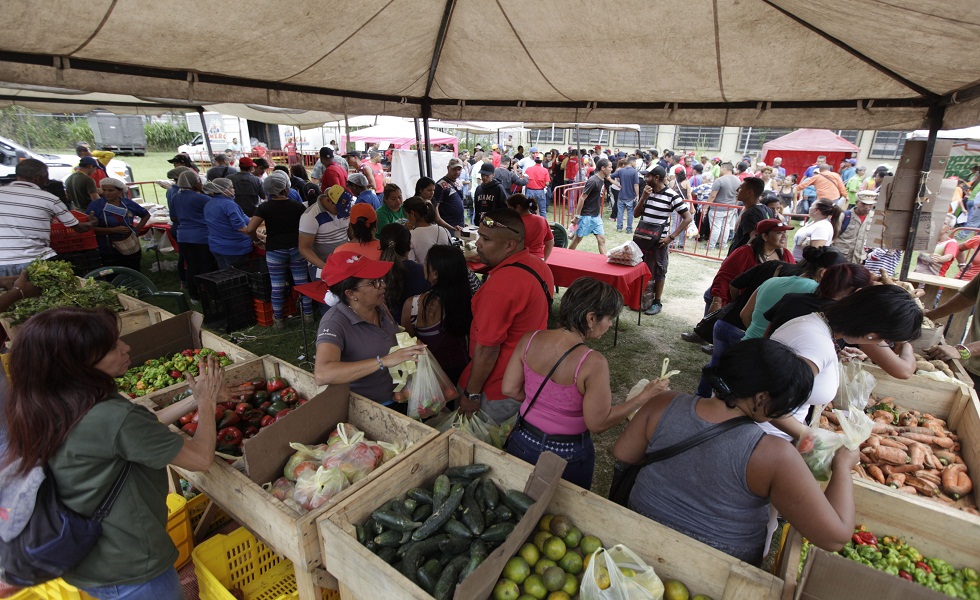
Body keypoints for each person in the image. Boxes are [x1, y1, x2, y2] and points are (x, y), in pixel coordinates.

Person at [2, 307, 224, 597]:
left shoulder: (46, 404)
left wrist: (192, 401)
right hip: (132, 568)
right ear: (77, 363)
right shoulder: (111, 416)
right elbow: (200, 458)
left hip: (86, 561)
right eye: (111, 347)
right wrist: (207, 403)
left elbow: (131, 435)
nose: (126, 347)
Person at [614, 338, 858, 566]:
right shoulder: (775, 454)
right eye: (785, 400)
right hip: (716, 563)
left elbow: (623, 453)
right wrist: (843, 468)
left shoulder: (664, 402)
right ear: (761, 397)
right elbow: (834, 538)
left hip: (638, 528)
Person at [501, 278, 669, 489]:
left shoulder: (529, 339)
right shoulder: (592, 363)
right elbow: (598, 423)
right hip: (566, 454)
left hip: (523, 439)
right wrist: (644, 397)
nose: (609, 324)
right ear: (591, 318)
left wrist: (546, 405)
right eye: (609, 318)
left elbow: (509, 388)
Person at [764, 285, 922, 443]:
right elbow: (767, 404)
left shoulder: (818, 325)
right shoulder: (816, 344)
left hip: (776, 434)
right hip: (765, 437)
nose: (882, 343)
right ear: (871, 335)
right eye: (884, 340)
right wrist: (813, 438)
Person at [459, 209, 555, 425]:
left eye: (485, 238)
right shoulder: (539, 265)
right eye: (479, 236)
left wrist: (472, 394)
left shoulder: (501, 285)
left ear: (510, 245)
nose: (478, 244)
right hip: (525, 378)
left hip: (496, 388)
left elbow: (487, 349)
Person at [313, 251, 426, 406]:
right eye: (374, 282)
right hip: (369, 407)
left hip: (399, 395)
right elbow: (322, 374)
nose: (383, 285)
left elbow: (393, 334)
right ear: (351, 293)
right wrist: (382, 361)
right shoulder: (334, 324)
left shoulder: (379, 306)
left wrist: (409, 345)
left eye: (381, 279)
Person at [0, 159, 92, 276]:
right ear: (38, 178)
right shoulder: (49, 198)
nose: (47, 181)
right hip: (34, 261)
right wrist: (91, 223)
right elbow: (79, 228)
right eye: (46, 177)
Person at [244, 176, 313, 327]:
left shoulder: (264, 207)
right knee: (302, 282)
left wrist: (257, 240)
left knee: (277, 285)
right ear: (285, 188)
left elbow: (250, 229)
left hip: (274, 249)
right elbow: (308, 227)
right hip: (297, 248)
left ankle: (279, 320)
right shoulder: (297, 206)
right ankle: (308, 315)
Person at [401, 244, 473, 385]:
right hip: (461, 371)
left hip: (430, 375)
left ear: (435, 274)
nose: (422, 266)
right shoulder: (469, 300)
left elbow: (409, 343)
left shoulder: (414, 305)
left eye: (425, 263)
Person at [742, 246, 845, 340]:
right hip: (772, 354)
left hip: (746, 344)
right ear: (824, 273)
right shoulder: (817, 293)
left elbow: (744, 314)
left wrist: (757, 334)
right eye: (842, 275)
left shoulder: (771, 281)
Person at [633, 166, 693, 316]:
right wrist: (643, 198)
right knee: (640, 268)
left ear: (657, 178)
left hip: (659, 241)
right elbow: (636, 214)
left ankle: (656, 302)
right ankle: (640, 299)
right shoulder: (647, 192)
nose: (645, 179)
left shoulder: (672, 196)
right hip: (642, 239)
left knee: (659, 271)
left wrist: (670, 237)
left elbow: (688, 218)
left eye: (648, 176)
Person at [707, 219, 795, 314]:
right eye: (779, 233)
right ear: (765, 236)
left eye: (785, 233)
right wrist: (717, 302)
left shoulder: (786, 255)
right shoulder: (745, 253)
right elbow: (724, 278)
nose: (784, 236)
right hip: (739, 308)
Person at [87, 177, 150, 272]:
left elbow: (145, 215)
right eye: (104, 190)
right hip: (107, 248)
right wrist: (113, 230)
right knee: (111, 273)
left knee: (132, 270)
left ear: (120, 191)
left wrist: (136, 230)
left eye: (111, 190)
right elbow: (89, 227)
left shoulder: (128, 203)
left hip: (130, 245)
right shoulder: (96, 205)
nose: (107, 193)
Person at [171, 171, 217, 300]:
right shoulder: (201, 198)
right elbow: (215, 207)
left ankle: (193, 295)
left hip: (183, 236)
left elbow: (173, 217)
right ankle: (208, 293)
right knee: (206, 265)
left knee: (191, 265)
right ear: (195, 182)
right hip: (201, 236)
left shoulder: (175, 196)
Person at [298, 185, 354, 278]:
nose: (342, 212)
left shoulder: (345, 208)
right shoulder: (310, 216)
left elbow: (351, 233)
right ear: (328, 200)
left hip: (344, 261)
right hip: (321, 265)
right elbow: (304, 248)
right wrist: (325, 267)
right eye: (338, 209)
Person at [378, 223, 429, 323]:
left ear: (381, 246)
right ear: (409, 245)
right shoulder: (422, 272)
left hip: (385, 329)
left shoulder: (373, 274)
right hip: (417, 330)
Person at [203, 176, 253, 270]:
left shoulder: (210, 203)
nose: (233, 190)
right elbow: (241, 227)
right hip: (234, 248)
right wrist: (258, 237)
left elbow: (242, 218)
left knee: (225, 275)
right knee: (236, 276)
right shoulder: (229, 205)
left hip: (217, 246)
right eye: (231, 187)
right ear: (224, 190)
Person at [568, 158, 611, 255]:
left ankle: (605, 262)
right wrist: (577, 217)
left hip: (596, 216)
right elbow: (582, 198)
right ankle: (566, 256)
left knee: (601, 240)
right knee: (577, 240)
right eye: (610, 167)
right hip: (586, 215)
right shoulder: (593, 181)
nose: (611, 169)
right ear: (603, 168)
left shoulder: (602, 180)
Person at [727, 177, 773, 254]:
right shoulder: (767, 209)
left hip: (742, 260)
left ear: (749, 192)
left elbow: (754, 238)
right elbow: (736, 229)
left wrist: (743, 257)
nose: (737, 190)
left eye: (741, 188)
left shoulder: (751, 213)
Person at [405, 196, 454, 265]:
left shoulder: (411, 235)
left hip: (425, 274)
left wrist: (409, 231)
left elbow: (411, 264)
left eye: (406, 215)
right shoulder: (444, 230)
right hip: (446, 272)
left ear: (412, 214)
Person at [833, 191, 877, 263]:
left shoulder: (875, 218)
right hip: (841, 257)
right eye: (863, 204)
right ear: (856, 203)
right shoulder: (844, 216)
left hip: (860, 258)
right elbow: (832, 237)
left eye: (870, 205)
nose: (866, 207)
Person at [506, 193, 554, 261]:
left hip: (519, 260)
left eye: (510, 209)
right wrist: (544, 260)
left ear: (518, 207)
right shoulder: (542, 220)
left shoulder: (515, 223)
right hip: (539, 259)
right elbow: (550, 243)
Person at [706, 162, 740, 250]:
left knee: (715, 227)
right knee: (726, 226)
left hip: (718, 207)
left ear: (724, 168)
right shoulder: (737, 180)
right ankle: (723, 245)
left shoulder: (719, 180)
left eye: (721, 168)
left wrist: (706, 207)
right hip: (730, 207)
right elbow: (738, 195)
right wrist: (735, 206)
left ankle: (711, 246)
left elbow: (712, 195)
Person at [432, 158, 467, 231]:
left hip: (459, 225)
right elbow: (435, 209)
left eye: (459, 169)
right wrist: (450, 227)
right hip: (447, 227)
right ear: (448, 168)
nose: (457, 172)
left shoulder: (459, 182)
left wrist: (462, 222)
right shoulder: (440, 185)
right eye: (454, 169)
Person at [611, 157, 640, 234]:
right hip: (631, 196)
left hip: (621, 195)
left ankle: (619, 227)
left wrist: (616, 183)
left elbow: (610, 176)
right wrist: (637, 195)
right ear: (632, 162)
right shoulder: (634, 172)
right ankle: (629, 229)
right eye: (635, 163)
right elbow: (636, 184)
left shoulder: (620, 171)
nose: (635, 164)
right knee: (630, 213)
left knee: (620, 212)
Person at [524, 153, 551, 217]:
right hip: (540, 192)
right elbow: (547, 183)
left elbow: (524, 179)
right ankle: (543, 225)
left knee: (527, 209)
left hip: (529, 191)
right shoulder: (545, 170)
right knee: (542, 210)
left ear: (534, 160)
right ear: (542, 160)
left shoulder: (528, 169)